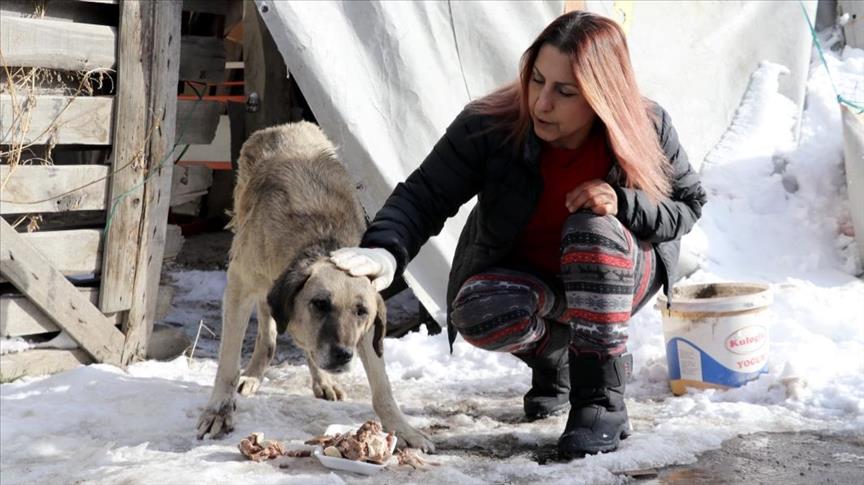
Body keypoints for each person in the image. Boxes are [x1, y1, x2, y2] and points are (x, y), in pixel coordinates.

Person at [330, 10, 706, 457]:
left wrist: (623, 202)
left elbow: (687, 205)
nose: (542, 103)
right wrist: (385, 251)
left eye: (565, 91)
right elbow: (424, 195)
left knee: (592, 230)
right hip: (533, 281)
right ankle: (559, 358)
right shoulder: (490, 124)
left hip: (616, 274)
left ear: (602, 96)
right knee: (478, 309)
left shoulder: (646, 125)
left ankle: (600, 398)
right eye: (537, 80)